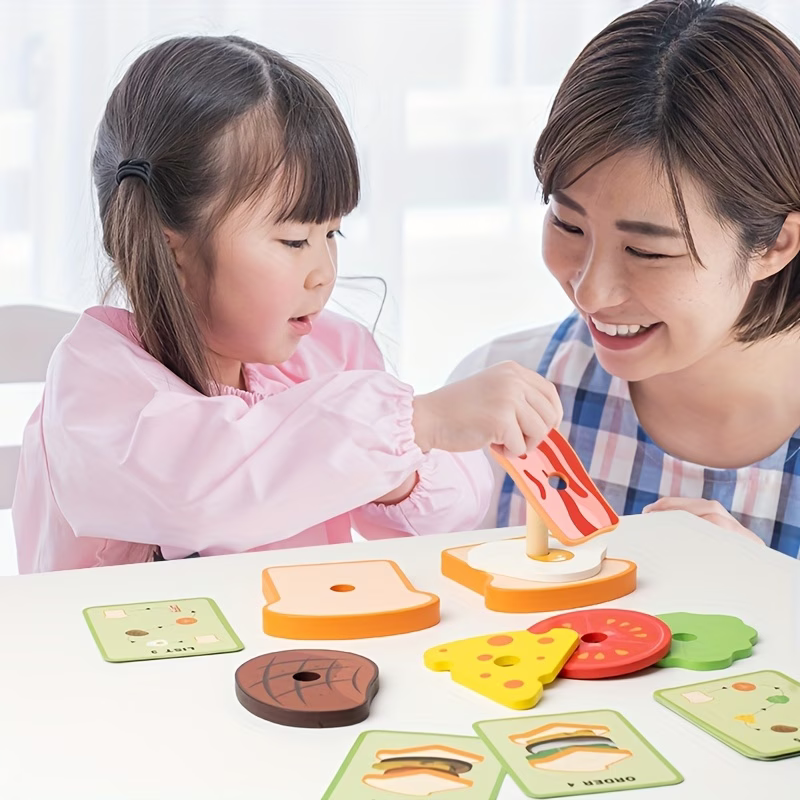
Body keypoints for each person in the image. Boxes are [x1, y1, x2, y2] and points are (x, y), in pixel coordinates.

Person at [13, 35, 561, 572]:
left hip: (290, 654)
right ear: (170, 244)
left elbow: (447, 516)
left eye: (333, 235)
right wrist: (417, 423)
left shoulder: (330, 356)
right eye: (295, 241)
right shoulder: (95, 386)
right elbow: (204, 485)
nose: (323, 272)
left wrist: (402, 470)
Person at [452, 0, 800, 557]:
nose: (589, 293)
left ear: (774, 244)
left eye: (646, 250)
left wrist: (774, 592)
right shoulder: (500, 399)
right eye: (567, 224)